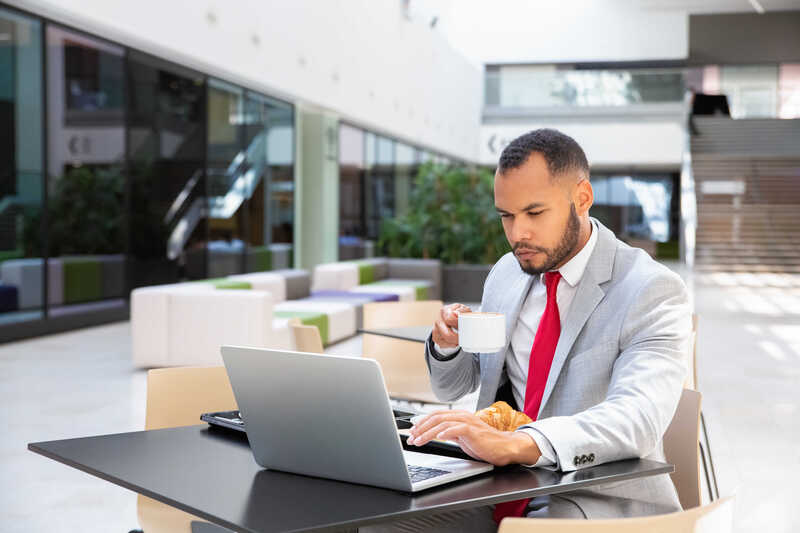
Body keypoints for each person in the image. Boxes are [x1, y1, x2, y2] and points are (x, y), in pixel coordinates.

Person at [403, 128, 691, 527]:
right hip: (495, 483)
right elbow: (454, 388)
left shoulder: (650, 288)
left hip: (592, 494)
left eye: (535, 213)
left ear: (582, 198)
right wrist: (447, 346)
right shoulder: (506, 274)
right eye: (506, 216)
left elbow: (637, 418)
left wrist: (519, 444)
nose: (517, 233)